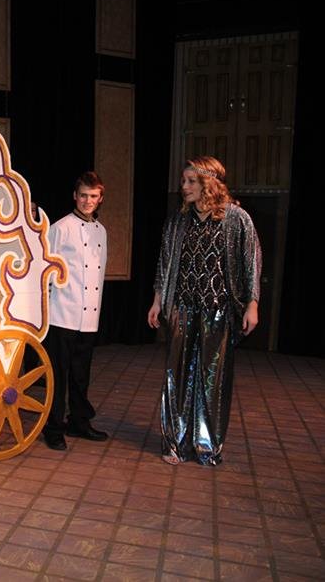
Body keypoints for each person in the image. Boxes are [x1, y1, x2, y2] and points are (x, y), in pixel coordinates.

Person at [148, 156, 260, 467]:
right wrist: (158, 301)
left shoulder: (237, 219)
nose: (184, 187)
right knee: (177, 375)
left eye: (191, 181)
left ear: (208, 183)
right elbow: (164, 263)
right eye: (183, 181)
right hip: (182, 308)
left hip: (218, 310)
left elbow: (251, 262)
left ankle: (207, 445)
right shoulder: (178, 221)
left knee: (212, 378)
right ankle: (175, 443)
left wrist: (252, 304)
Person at [42, 171, 109, 451]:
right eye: (83, 195)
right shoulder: (60, 228)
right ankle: (53, 427)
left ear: (100, 198)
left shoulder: (101, 231)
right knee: (58, 375)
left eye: (93, 196)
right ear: (74, 196)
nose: (87, 201)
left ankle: (79, 421)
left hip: (90, 315)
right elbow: (45, 270)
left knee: (81, 374)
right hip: (62, 313)